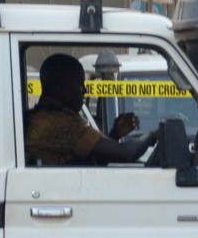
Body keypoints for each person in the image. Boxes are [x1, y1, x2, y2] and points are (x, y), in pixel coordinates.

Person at [26, 53, 154, 166]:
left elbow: (94, 159)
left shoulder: (43, 118)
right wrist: (153, 135)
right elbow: (126, 153)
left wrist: (114, 134)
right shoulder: (60, 124)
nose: (85, 91)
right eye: (80, 85)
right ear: (61, 87)